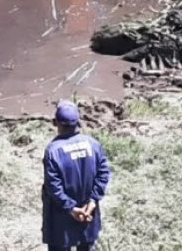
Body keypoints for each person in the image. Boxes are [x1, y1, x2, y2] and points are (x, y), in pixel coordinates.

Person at [41, 100, 111, 251]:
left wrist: (71, 208)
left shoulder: (53, 151)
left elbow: (53, 186)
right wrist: (93, 201)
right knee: (86, 245)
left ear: (56, 123)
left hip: (61, 216)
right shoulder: (93, 144)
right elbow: (104, 173)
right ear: (78, 122)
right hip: (88, 212)